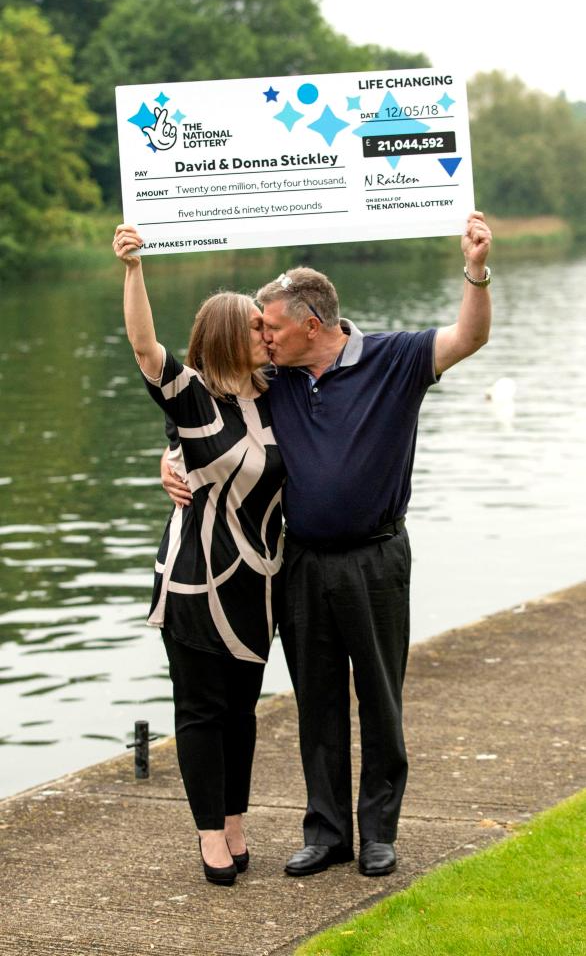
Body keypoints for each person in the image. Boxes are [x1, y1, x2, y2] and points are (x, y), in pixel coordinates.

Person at [162, 211, 493, 879]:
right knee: (316, 703)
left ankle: (378, 832)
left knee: (379, 697)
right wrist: (168, 457)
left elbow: (469, 337)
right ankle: (327, 831)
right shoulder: (274, 379)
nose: (263, 338)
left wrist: (476, 270)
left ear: (312, 324)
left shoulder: (396, 359)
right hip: (301, 562)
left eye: (272, 327)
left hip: (375, 558)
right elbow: (207, 415)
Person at [113, 224, 285, 887]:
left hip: (257, 583)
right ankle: (211, 838)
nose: (265, 334)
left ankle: (237, 823)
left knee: (243, 709)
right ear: (223, 335)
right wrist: (133, 270)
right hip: (194, 579)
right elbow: (142, 345)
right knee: (200, 709)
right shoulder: (190, 395)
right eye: (253, 326)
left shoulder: (279, 395)